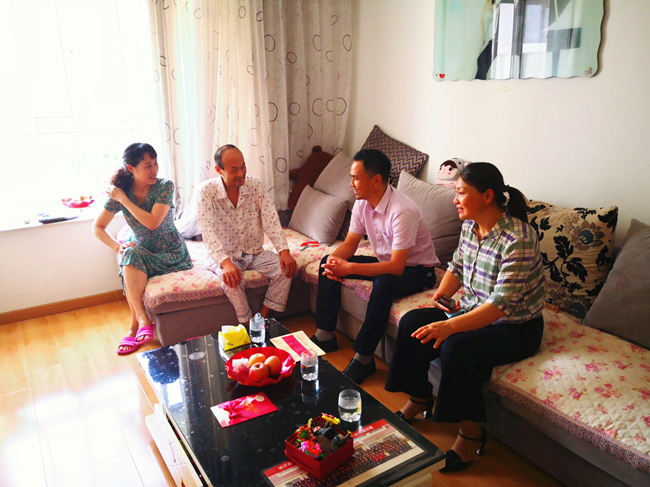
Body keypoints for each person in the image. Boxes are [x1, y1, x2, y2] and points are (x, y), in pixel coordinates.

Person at [385, 162, 546, 472]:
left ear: (487, 196)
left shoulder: (519, 238)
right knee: (412, 322)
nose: (455, 199)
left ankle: (471, 432)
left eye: (461, 192)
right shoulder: (470, 227)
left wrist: (449, 326)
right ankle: (419, 398)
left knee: (456, 347)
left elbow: (500, 305)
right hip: (473, 310)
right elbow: (456, 267)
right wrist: (442, 296)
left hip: (516, 327)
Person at [311, 149, 439, 384]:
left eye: (355, 178)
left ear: (376, 180)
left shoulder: (402, 211)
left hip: (418, 271)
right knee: (327, 262)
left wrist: (350, 268)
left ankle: (364, 357)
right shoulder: (362, 203)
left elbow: (396, 267)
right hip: (386, 263)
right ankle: (325, 334)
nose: (351, 184)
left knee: (384, 282)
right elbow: (350, 244)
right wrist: (335, 262)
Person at [93, 143, 193, 355]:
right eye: (148, 165)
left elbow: (152, 222)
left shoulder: (164, 186)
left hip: (171, 252)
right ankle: (141, 321)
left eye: (155, 163)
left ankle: (134, 326)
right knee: (129, 254)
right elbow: (98, 227)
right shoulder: (122, 191)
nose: (154, 170)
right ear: (131, 168)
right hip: (142, 250)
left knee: (130, 260)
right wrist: (118, 247)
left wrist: (123, 200)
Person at [197, 145, 297, 325]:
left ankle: (261, 318)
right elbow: (208, 230)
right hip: (225, 256)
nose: (241, 173)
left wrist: (284, 251)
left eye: (243, 166)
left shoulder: (255, 186)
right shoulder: (206, 191)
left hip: (255, 252)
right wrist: (226, 263)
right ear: (219, 170)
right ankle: (247, 323)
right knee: (231, 282)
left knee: (286, 269)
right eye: (234, 170)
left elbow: (271, 219)